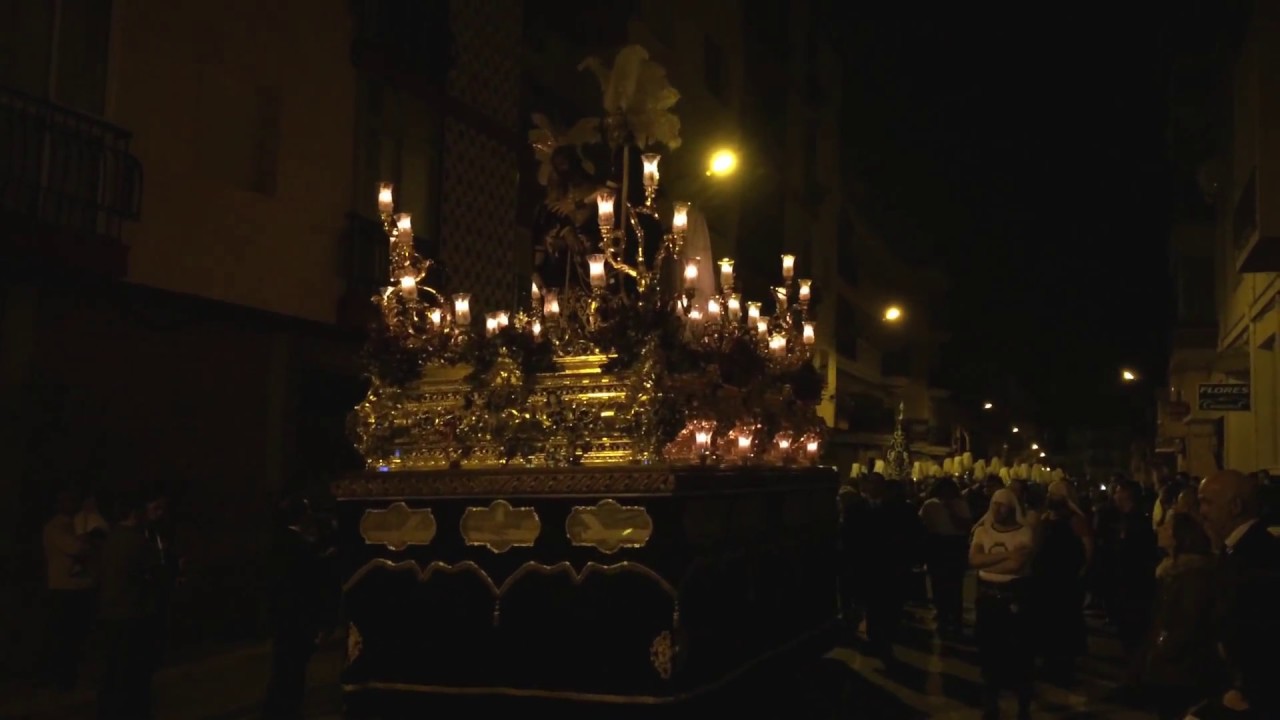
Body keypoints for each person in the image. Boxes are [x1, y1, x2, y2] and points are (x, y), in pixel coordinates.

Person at [1191, 470, 1280, 717]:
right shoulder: (1238, 550)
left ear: (1235, 506)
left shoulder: (1256, 556)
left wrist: (1247, 691)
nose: (1201, 512)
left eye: (1206, 502)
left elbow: (1261, 633)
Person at [263, 496, 336, 719]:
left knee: (284, 668)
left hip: (284, 618)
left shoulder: (280, 543)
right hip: (298, 619)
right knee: (292, 672)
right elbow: (310, 585)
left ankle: (278, 710)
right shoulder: (299, 548)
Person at [1143, 512, 1221, 720]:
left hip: (1182, 670)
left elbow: (1185, 624)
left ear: (1181, 537)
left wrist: (1162, 647)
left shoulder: (1191, 575)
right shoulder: (1171, 571)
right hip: (1171, 667)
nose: (1160, 529)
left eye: (1167, 527)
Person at [970, 488, 1036, 720]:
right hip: (988, 599)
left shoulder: (1024, 532)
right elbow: (974, 560)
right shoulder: (982, 531)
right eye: (995, 504)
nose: (998, 508)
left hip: (1014, 598)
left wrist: (987, 563)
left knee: (1019, 654)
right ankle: (991, 705)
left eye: (1003, 505)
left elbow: (1016, 566)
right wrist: (1005, 557)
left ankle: (1023, 706)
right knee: (989, 653)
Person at [97, 492, 164, 719]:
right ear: (135, 514)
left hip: (109, 614)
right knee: (135, 674)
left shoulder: (109, 540)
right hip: (134, 614)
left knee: (113, 672)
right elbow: (157, 576)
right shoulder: (139, 543)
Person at [1033, 479, 1091, 685]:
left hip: (1066, 580)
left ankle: (1064, 666)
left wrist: (1081, 573)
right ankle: (1050, 661)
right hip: (1046, 580)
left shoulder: (1075, 520)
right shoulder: (1046, 518)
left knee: (1065, 622)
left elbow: (1086, 548)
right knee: (1048, 621)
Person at [43, 490, 95, 692]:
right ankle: (64, 680)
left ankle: (75, 677)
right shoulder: (55, 527)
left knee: (78, 635)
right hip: (65, 589)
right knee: (66, 637)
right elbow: (77, 548)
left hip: (80, 587)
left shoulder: (74, 524)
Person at [919, 477, 971, 637]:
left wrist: (950, 509)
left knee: (954, 583)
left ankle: (955, 618)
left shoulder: (959, 504)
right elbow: (922, 523)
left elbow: (964, 526)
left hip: (954, 544)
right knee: (938, 582)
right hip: (937, 544)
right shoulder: (930, 505)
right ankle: (942, 615)